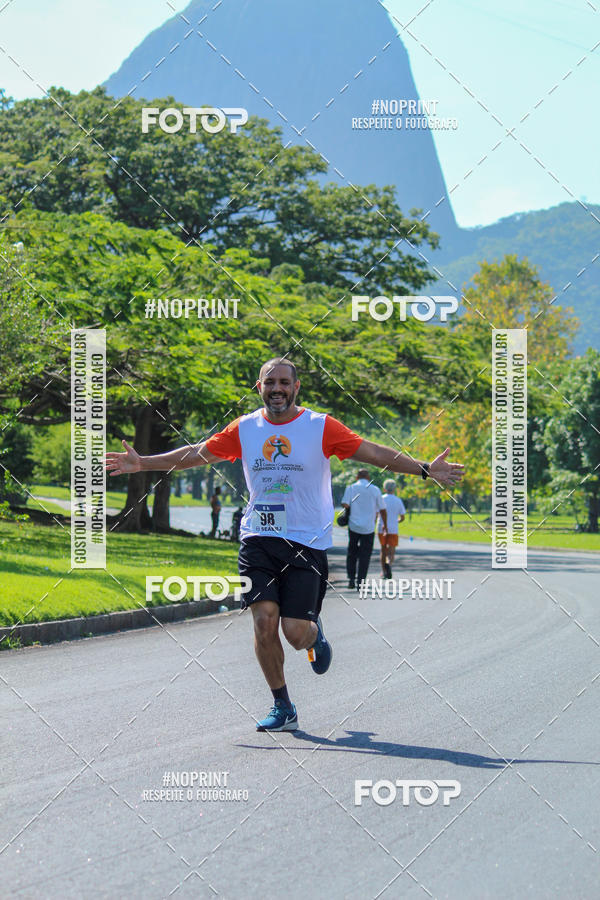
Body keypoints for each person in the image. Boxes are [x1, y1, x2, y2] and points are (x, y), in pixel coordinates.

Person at [106, 357, 464, 732]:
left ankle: (314, 634)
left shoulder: (320, 426)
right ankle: (283, 705)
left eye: (283, 382)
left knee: (295, 633)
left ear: (296, 388)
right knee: (263, 622)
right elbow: (197, 454)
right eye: (269, 382)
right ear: (258, 387)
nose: (276, 389)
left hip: (306, 542)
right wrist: (143, 463)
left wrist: (425, 468)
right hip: (258, 538)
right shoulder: (244, 428)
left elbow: (374, 453)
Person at [341, 470, 387, 590]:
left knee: (352, 553)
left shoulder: (351, 487)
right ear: (368, 477)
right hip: (369, 527)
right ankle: (361, 581)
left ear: (357, 477)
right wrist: (385, 525)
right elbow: (382, 509)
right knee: (365, 555)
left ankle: (351, 579)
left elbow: (345, 504)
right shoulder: (375, 489)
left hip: (354, 526)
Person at [378, 479, 406, 579]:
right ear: (395, 489)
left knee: (383, 549)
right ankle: (389, 564)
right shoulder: (398, 500)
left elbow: (377, 513)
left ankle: (383, 571)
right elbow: (402, 517)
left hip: (382, 528)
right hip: (393, 528)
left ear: (384, 488)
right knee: (391, 550)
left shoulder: (381, 498)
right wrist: (396, 521)